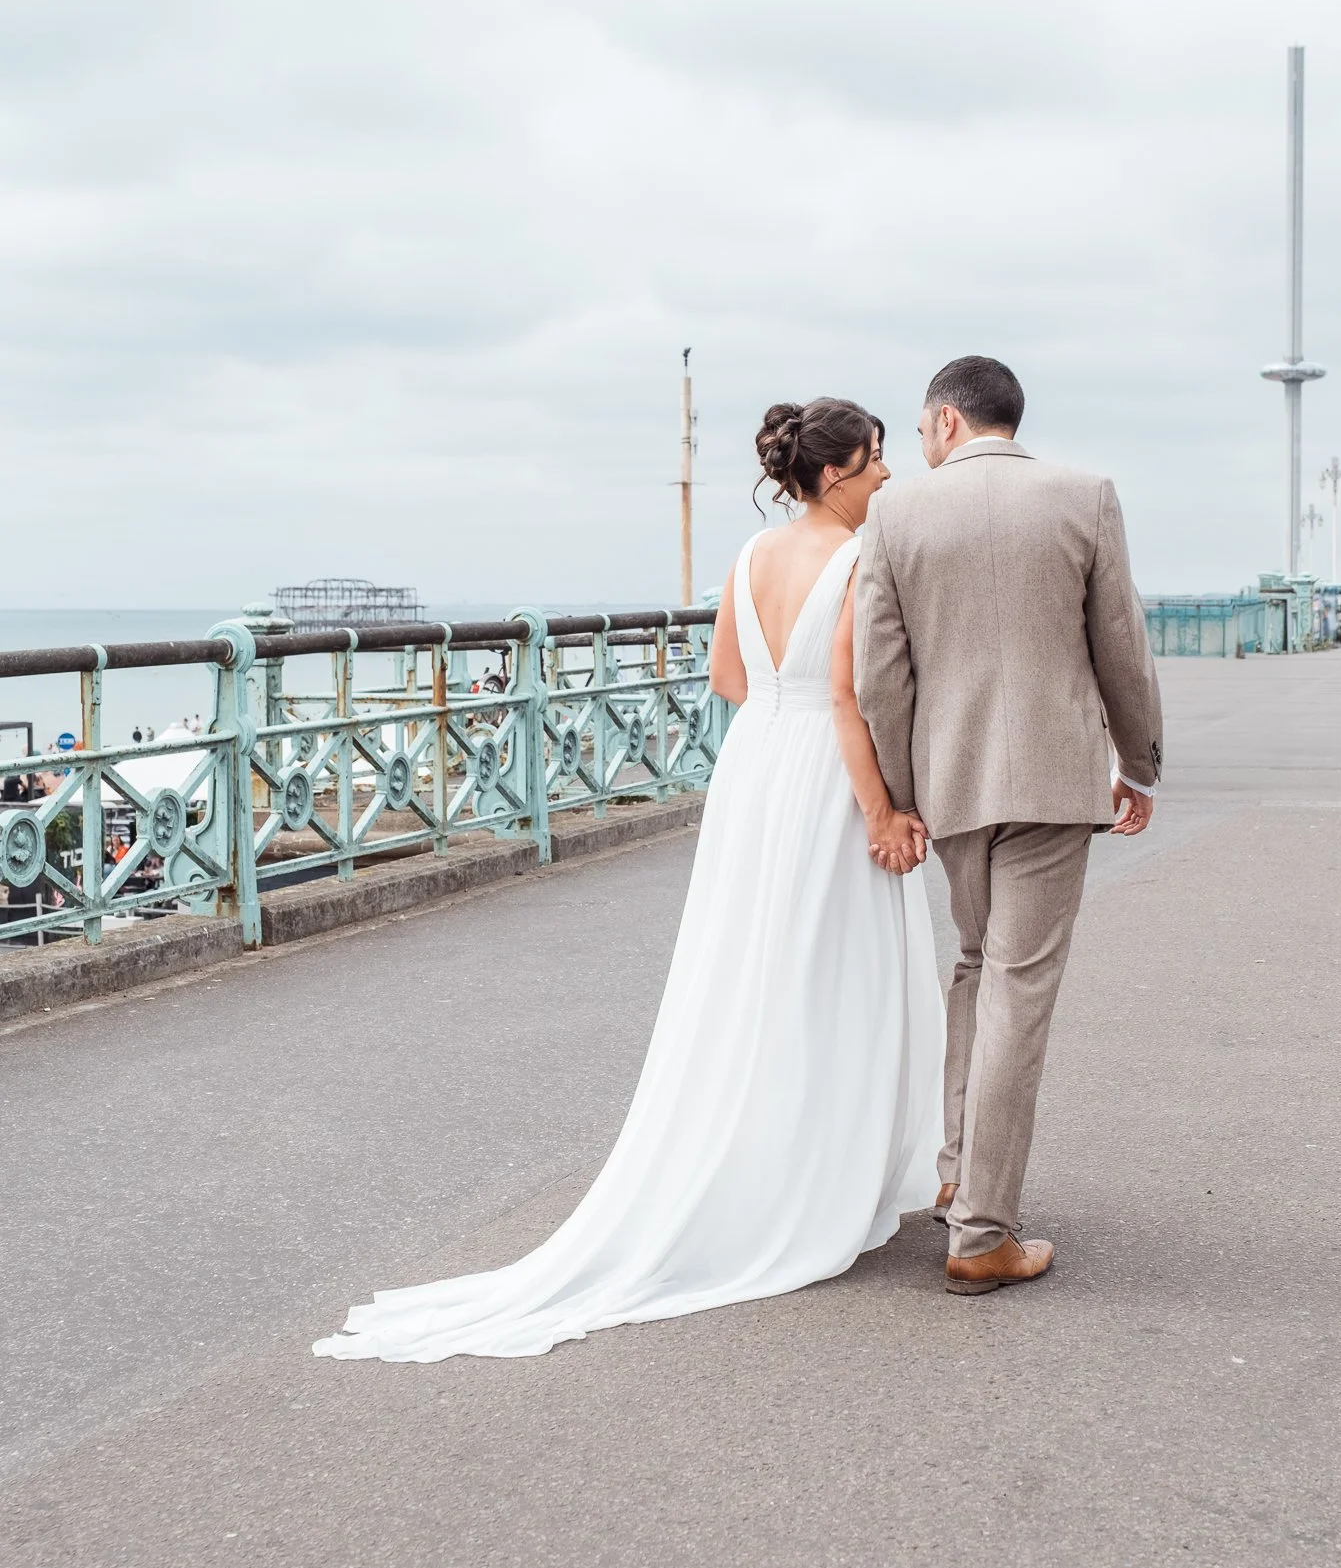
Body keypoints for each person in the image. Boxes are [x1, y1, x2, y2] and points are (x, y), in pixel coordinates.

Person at [315, 398, 945, 1362]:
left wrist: (787, 714)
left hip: (754, 769)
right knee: (834, 971)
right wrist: (880, 811)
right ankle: (822, 1179)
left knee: (754, 968)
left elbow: (730, 679)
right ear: (832, 476)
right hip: (823, 773)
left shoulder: (747, 557)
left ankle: (768, 1164)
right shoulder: (859, 559)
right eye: (873, 464)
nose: (887, 479)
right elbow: (849, 699)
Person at [855, 355, 1162, 1295]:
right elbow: (1119, 643)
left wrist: (902, 793)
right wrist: (1137, 762)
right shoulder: (1085, 495)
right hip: (1050, 778)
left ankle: (958, 1174)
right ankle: (982, 1231)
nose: (916, 445)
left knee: (976, 967)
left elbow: (879, 672)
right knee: (1017, 988)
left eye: (917, 429)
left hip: (948, 786)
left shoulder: (895, 513)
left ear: (946, 422)